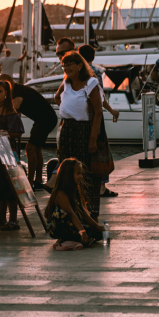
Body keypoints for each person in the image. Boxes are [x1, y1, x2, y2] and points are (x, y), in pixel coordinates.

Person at [53, 51, 105, 218]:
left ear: (80, 65)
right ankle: (68, 209)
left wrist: (93, 139)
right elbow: (56, 98)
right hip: (67, 128)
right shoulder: (66, 83)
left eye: (70, 64)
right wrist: (68, 110)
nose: (66, 68)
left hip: (84, 130)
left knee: (85, 172)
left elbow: (98, 112)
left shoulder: (91, 83)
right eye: (64, 65)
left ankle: (89, 212)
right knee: (65, 170)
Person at [0, 73, 57, 190]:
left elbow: (15, 106)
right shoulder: (17, 90)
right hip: (44, 119)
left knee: (30, 148)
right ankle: (38, 180)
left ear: (7, 84)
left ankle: (30, 183)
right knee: (37, 149)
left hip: (45, 120)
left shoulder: (18, 92)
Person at [79, 44, 119, 198]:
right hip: (95, 116)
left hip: (80, 117)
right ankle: (101, 187)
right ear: (93, 57)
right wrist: (111, 110)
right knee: (100, 150)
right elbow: (100, 96)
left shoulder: (76, 71)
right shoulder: (96, 71)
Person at [0, 79, 24, 230]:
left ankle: (13, 219)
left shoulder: (10, 112)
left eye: (0, 92)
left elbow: (19, 132)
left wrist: (2, 133)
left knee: (10, 186)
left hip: (8, 152)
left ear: (6, 93)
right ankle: (1, 217)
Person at [43, 158, 103, 251]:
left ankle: (75, 237)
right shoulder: (61, 194)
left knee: (99, 233)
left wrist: (97, 226)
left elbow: (82, 212)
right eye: (78, 173)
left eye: (81, 173)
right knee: (68, 216)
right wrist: (82, 231)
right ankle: (66, 239)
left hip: (72, 225)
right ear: (68, 175)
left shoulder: (74, 190)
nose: (81, 176)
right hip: (59, 227)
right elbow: (71, 214)